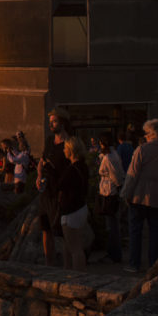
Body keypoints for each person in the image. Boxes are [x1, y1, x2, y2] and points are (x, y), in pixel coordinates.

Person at [122, 119, 158, 273]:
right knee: (155, 231)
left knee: (136, 230)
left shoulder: (142, 150)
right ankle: (154, 263)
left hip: (139, 195)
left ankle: (134, 263)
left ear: (150, 134)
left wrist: (126, 193)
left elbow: (132, 175)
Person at [37, 109, 71, 266]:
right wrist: (38, 176)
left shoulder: (69, 143)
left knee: (63, 232)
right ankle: (48, 263)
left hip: (59, 192)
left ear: (62, 123)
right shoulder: (50, 141)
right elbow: (41, 161)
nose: (51, 124)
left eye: (54, 121)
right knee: (46, 229)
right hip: (45, 191)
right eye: (50, 121)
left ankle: (66, 266)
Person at [57, 137, 90, 271]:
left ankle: (78, 277)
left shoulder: (72, 169)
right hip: (80, 207)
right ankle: (70, 272)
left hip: (71, 211)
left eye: (65, 148)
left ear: (71, 150)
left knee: (75, 248)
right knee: (70, 246)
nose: (63, 150)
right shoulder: (83, 167)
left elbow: (59, 186)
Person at [97, 133, 125, 263]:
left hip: (110, 191)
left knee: (112, 225)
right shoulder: (113, 155)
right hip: (111, 190)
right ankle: (114, 252)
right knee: (113, 224)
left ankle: (114, 253)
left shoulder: (109, 158)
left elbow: (115, 176)